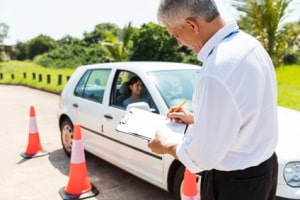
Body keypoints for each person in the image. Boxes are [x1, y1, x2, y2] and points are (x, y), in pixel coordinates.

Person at [147, 0, 278, 200]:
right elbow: (246, 112)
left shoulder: (216, 70)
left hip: (234, 185)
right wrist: (196, 119)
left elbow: (201, 158)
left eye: (176, 35)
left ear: (192, 25)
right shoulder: (250, 45)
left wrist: (165, 145)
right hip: (265, 169)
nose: (179, 43)